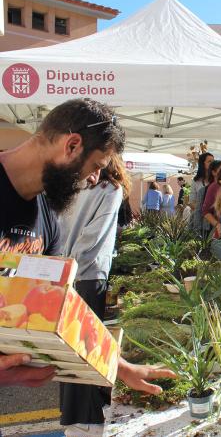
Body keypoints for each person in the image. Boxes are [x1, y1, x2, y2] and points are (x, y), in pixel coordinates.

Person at [0, 98, 174, 396]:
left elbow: (56, 304)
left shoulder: (48, 217)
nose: (95, 178)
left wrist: (119, 366)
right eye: (96, 166)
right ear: (72, 145)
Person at [57, 154, 131, 435]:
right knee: (87, 345)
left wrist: (64, 265)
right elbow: (94, 237)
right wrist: (74, 265)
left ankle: (77, 411)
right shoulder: (110, 190)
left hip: (64, 272)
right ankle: (85, 414)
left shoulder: (75, 186)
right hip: (88, 273)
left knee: (71, 343)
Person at [189, 152, 214, 234]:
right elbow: (192, 202)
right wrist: (204, 209)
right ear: (202, 164)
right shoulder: (196, 181)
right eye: (209, 161)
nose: (212, 164)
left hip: (215, 219)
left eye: (213, 161)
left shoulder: (217, 180)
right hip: (201, 220)